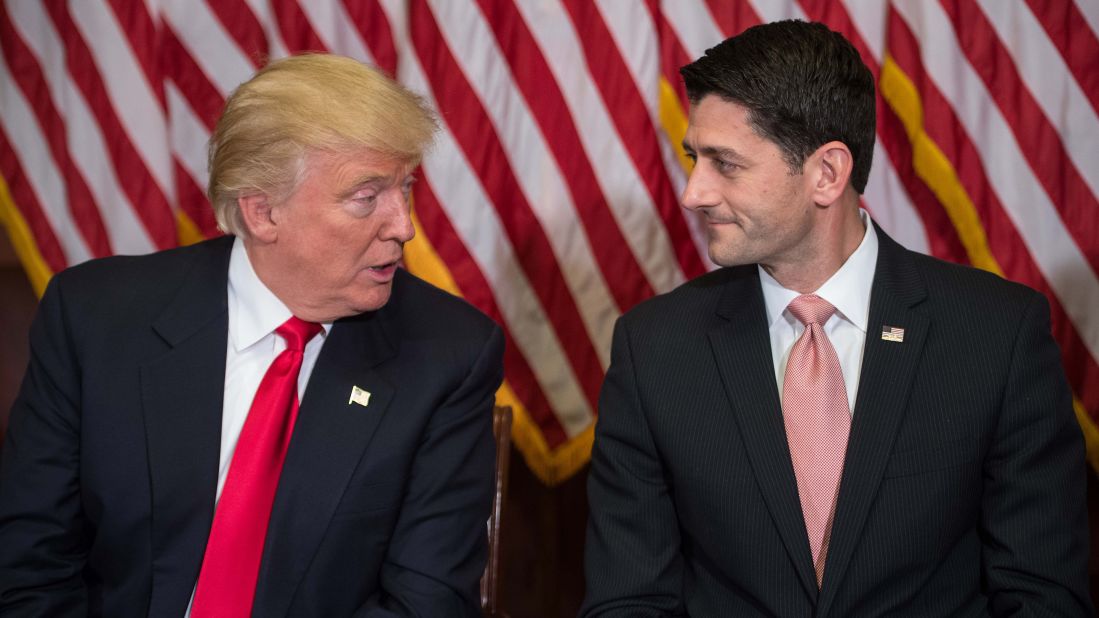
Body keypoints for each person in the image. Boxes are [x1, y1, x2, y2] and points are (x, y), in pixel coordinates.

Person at [582, 20, 1091, 617]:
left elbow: (1042, 596)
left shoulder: (995, 335)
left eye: (726, 164)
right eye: (697, 159)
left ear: (827, 173)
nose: (694, 192)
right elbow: (628, 602)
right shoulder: (654, 349)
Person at [0, 53, 503, 617]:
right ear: (263, 213)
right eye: (367, 198)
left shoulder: (446, 354)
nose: (403, 225)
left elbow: (424, 602)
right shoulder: (96, 319)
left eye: (403, 188)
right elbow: (28, 567)